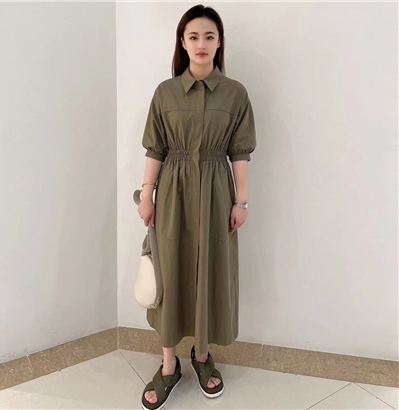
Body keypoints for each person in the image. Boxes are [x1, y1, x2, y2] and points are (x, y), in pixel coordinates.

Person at [138, 4, 256, 409]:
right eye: (193, 37)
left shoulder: (235, 93)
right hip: (172, 192)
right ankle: (169, 364)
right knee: (169, 272)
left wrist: (241, 201)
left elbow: (240, 152)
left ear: (219, 42)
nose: (201, 43)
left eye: (209, 36)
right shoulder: (165, 93)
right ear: (183, 42)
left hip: (217, 192)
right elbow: (155, 148)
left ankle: (202, 355)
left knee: (210, 269)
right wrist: (147, 194)